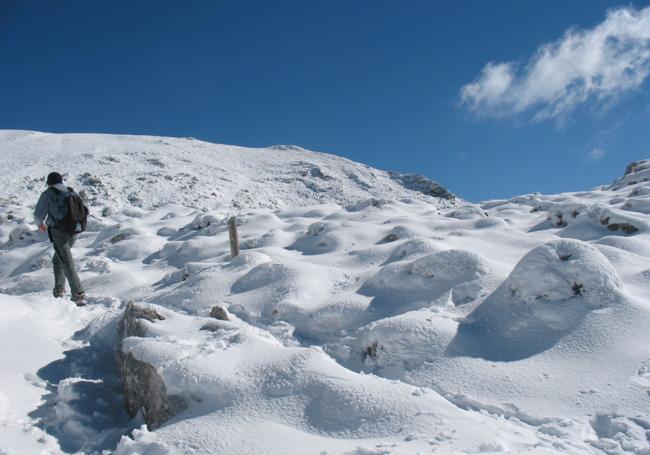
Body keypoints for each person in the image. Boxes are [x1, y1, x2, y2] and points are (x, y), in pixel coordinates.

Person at [34, 172, 86, 305]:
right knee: (58, 260)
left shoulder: (48, 193)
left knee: (66, 261)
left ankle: (78, 293)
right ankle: (59, 290)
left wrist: (40, 224)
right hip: (74, 231)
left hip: (59, 231)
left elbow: (39, 214)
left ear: (49, 182)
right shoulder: (71, 191)